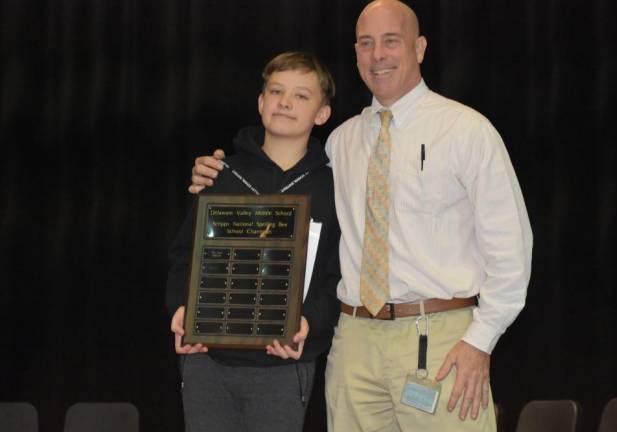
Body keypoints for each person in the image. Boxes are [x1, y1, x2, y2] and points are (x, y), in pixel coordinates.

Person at [188, 1, 533, 431]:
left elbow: (511, 249)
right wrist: (219, 172)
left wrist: (480, 342)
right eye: (367, 44)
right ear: (356, 53)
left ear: (420, 47)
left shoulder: (466, 130)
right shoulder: (341, 142)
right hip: (352, 341)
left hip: (441, 338)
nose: (378, 55)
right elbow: (281, 187)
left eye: (391, 41)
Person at [166, 51, 341, 432]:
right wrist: (180, 307)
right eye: (276, 91)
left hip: (281, 368)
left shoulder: (331, 188)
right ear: (261, 102)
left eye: (301, 96)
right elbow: (185, 256)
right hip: (206, 363)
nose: (285, 102)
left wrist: (309, 323)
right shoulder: (218, 174)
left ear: (322, 113)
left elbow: (334, 276)